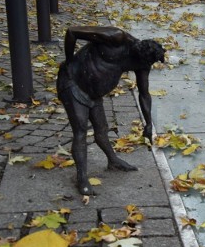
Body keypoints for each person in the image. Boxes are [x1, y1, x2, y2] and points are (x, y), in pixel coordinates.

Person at [56, 26, 165, 195]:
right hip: (73, 83)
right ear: (135, 54)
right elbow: (71, 32)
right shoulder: (115, 37)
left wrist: (148, 123)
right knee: (81, 131)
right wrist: (69, 59)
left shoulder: (144, 62)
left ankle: (113, 160)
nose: (143, 68)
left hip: (94, 94)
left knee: (101, 129)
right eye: (141, 64)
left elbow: (144, 93)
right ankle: (82, 178)